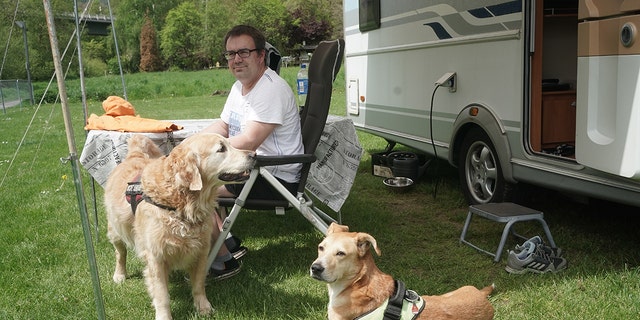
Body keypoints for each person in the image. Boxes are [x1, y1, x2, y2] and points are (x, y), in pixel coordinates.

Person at [201, 25, 304, 280]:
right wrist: (195, 142)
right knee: (201, 176)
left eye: (244, 52)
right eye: (231, 53)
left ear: (261, 55)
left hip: (274, 177)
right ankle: (230, 244)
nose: (236, 59)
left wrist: (202, 155)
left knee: (196, 188)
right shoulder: (240, 86)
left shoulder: (270, 89)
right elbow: (223, 125)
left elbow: (249, 141)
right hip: (254, 169)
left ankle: (222, 260)